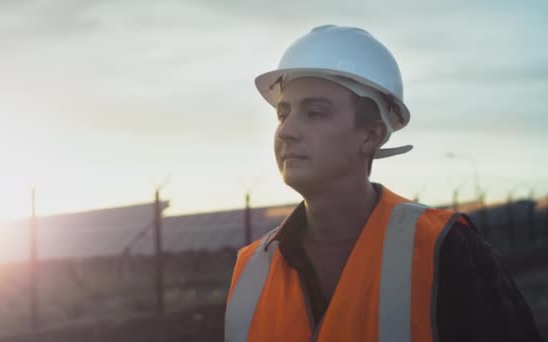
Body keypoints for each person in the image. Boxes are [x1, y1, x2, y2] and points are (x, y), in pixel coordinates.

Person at [224, 25, 541, 342]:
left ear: (371, 135)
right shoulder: (251, 269)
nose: (286, 131)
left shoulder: (443, 247)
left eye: (315, 113)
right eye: (283, 114)